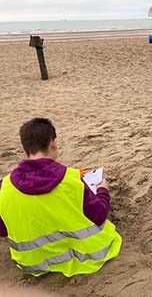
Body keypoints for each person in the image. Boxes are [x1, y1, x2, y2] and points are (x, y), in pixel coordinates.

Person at [0, 118, 122, 277]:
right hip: (88, 256)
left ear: (24, 150)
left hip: (33, 264)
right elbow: (99, 215)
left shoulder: (5, 188)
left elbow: (3, 231)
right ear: (54, 143)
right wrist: (103, 192)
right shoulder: (72, 181)